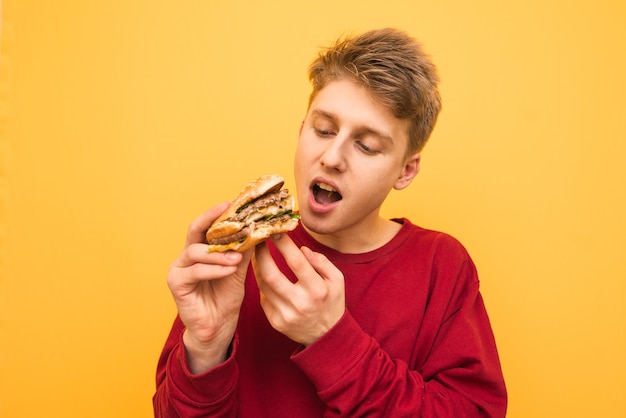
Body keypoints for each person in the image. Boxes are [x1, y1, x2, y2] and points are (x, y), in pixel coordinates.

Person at [153, 27, 507, 417]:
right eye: (323, 129)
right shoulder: (233, 262)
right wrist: (205, 345)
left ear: (405, 171)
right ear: (301, 129)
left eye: (367, 145)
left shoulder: (442, 265)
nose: (332, 157)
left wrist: (332, 338)